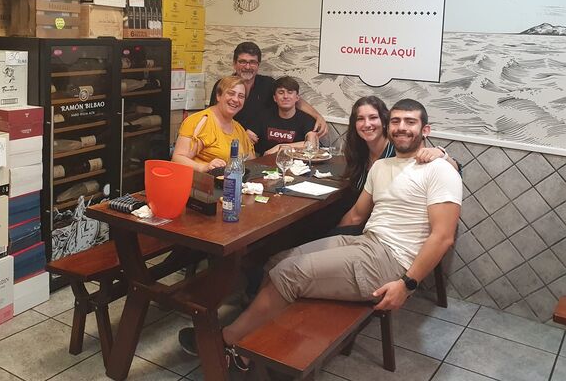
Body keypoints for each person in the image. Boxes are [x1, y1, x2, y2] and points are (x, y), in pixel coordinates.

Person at [178, 99, 462, 369]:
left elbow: (443, 237)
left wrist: (407, 284)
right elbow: (356, 215)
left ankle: (226, 341)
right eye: (396, 121)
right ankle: (254, 345)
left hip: (393, 261)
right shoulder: (382, 166)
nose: (401, 127)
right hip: (366, 242)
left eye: (410, 122)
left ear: (425, 130)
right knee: (278, 260)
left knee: (290, 273)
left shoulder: (439, 169)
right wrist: (326, 244)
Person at [208, 42, 327, 142]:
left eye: (252, 62)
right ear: (234, 64)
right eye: (243, 62)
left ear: (258, 65)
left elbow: (291, 99)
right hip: (231, 142)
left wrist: (318, 116)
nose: (248, 67)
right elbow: (214, 118)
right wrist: (242, 136)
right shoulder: (223, 85)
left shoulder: (267, 84)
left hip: (261, 149)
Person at [172, 76, 255, 173]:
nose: (236, 99)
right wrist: (203, 167)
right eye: (231, 93)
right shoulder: (199, 122)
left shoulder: (239, 129)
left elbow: (252, 162)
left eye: (241, 96)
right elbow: (177, 159)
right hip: (199, 180)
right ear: (218, 96)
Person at [250, 76, 319, 155]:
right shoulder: (263, 116)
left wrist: (280, 147)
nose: (285, 96)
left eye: (290, 92)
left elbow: (312, 144)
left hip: (295, 162)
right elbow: (248, 137)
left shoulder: (307, 119)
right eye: (281, 92)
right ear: (275, 98)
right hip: (266, 161)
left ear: (297, 98)